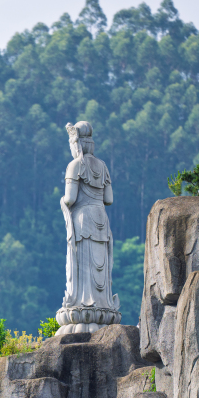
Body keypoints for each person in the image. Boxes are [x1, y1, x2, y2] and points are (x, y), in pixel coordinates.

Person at [55, 121, 119, 335]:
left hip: (82, 219)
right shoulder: (102, 166)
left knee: (82, 268)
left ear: (77, 144)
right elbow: (108, 198)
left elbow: (71, 198)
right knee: (100, 267)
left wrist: (62, 200)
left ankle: (84, 305)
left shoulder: (75, 165)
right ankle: (103, 306)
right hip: (100, 217)